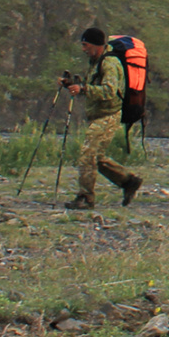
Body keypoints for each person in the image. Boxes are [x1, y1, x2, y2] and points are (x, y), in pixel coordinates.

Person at [63, 28, 141, 210]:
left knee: (87, 154)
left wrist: (83, 90)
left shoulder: (109, 63)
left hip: (108, 115)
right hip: (100, 115)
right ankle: (128, 181)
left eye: (85, 45)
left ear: (96, 45)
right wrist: (73, 85)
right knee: (95, 157)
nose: (83, 49)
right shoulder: (96, 61)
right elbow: (93, 86)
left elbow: (109, 91)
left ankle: (86, 197)